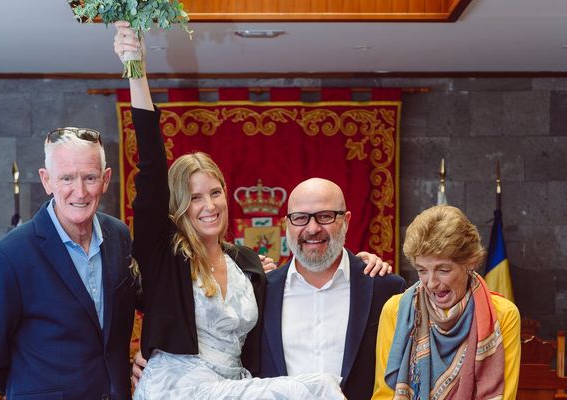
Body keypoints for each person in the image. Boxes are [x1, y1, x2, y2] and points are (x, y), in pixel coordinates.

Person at [115, 21, 395, 399]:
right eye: (195, 197)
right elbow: (150, 167)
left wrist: (364, 262)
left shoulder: (245, 264)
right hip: (180, 387)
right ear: (179, 205)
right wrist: (136, 67)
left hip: (232, 383)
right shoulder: (165, 254)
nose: (209, 205)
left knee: (321, 386)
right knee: (319, 389)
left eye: (215, 193)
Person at [0, 127, 137, 399]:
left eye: (90, 177)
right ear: (46, 180)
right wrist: (32, 385)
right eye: (66, 178)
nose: (79, 192)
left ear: (105, 179)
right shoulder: (10, 255)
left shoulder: (119, 236)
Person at [260, 177, 407, 400]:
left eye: (325, 216)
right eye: (300, 218)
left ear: (346, 220)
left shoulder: (385, 289)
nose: (312, 228)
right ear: (287, 224)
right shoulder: (261, 292)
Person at [372, 205, 521, 399]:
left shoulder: (504, 314)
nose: (432, 283)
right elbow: (384, 395)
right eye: (422, 270)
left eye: (443, 270)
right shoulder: (395, 310)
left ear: (470, 262)